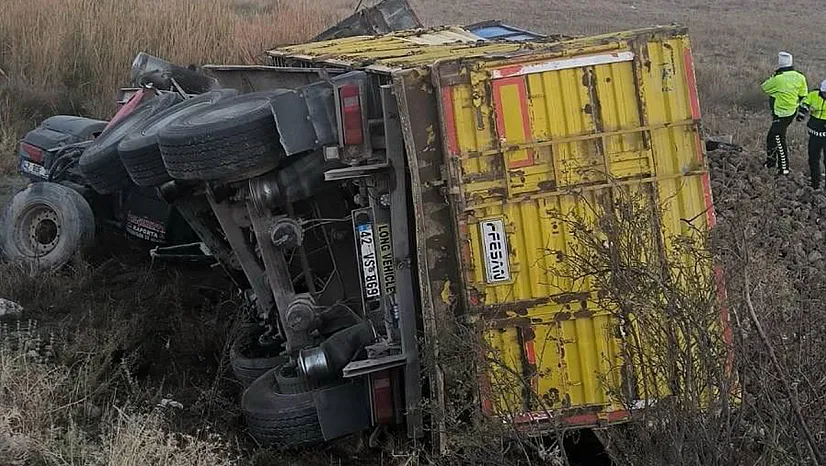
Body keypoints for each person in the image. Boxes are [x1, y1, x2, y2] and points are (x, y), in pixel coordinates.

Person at [761, 52, 808, 175]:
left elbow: (765, 87)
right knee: (771, 137)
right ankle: (770, 163)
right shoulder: (800, 77)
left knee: (778, 138)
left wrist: (774, 76)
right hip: (791, 112)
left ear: (780, 64)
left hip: (780, 113)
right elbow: (803, 94)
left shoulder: (778, 79)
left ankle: (784, 169)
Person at [798, 79, 826, 189]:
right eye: (824, 93)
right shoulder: (813, 94)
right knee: (813, 159)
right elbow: (805, 103)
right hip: (814, 134)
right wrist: (802, 113)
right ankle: (815, 184)